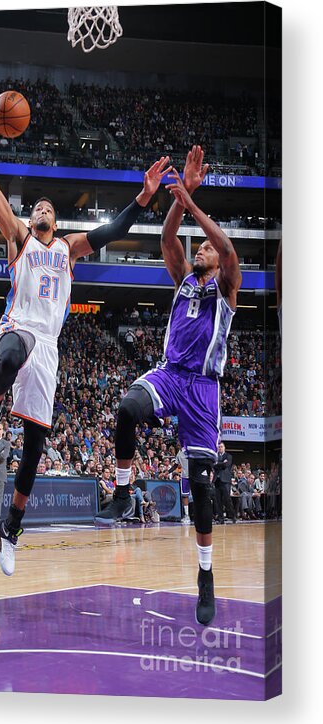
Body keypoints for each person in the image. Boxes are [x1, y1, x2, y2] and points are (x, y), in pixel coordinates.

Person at [0, 101, 171, 576]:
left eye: (48, 208)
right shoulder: (19, 239)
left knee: (34, 450)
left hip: (51, 347)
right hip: (19, 327)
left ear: (57, 222)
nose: (41, 208)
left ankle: (11, 528)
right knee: (8, 353)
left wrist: (143, 198)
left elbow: (112, 229)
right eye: (36, 206)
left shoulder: (68, 249)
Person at [95, 146, 242, 626]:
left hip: (203, 390)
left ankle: (205, 575)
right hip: (169, 375)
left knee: (200, 490)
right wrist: (183, 197)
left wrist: (196, 205)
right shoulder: (182, 280)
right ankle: (122, 491)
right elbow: (167, 236)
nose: (200, 249)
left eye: (205, 249)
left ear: (216, 263)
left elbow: (229, 250)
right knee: (126, 407)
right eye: (198, 247)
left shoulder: (225, 289)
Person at [213, 442, 236, 524]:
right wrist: (222, 463)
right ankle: (220, 519)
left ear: (224, 448)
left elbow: (226, 465)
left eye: (221, 447)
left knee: (227, 500)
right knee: (218, 501)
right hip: (217, 480)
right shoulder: (215, 456)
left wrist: (218, 464)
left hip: (225, 480)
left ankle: (233, 516)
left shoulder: (228, 456)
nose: (220, 448)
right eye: (219, 447)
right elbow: (213, 465)